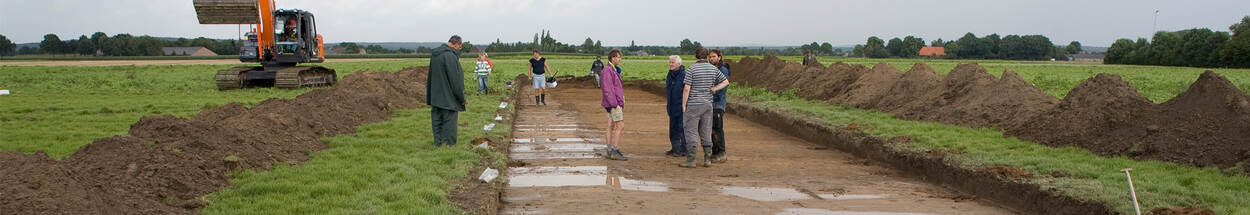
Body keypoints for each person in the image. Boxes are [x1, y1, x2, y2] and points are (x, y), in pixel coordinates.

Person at [680, 47, 729, 168]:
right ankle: (707, 159)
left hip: (694, 104)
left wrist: (683, 104)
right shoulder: (713, 68)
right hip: (708, 105)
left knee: (691, 131)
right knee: (706, 131)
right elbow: (726, 82)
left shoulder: (692, 69)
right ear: (706, 56)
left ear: (695, 56)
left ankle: (691, 160)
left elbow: (687, 88)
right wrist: (714, 89)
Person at [426, 35, 466, 146]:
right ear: (456, 44)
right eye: (460, 47)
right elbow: (455, 80)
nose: (459, 50)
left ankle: (438, 144)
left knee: (437, 121)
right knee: (449, 122)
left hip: (435, 96)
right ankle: (449, 146)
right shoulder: (450, 56)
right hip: (448, 98)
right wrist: (461, 98)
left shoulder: (435, 55)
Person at [600, 49, 627, 160]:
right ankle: (614, 150)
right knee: (620, 125)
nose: (619, 59)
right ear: (613, 58)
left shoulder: (613, 69)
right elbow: (607, 89)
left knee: (610, 125)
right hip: (613, 103)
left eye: (620, 57)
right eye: (618, 57)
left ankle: (609, 149)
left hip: (613, 102)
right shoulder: (608, 70)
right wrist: (614, 104)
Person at [709, 49, 731, 163]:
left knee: (717, 129)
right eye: (710, 57)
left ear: (719, 57)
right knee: (711, 129)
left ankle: (721, 152)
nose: (711, 58)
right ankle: (715, 152)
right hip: (711, 104)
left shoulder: (723, 70)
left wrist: (713, 94)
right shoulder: (713, 69)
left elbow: (723, 87)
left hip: (718, 104)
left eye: (713, 56)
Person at [665, 55, 688, 157]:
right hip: (672, 106)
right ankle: (675, 148)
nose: (670, 64)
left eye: (672, 62)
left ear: (679, 64)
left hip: (681, 106)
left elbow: (687, 90)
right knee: (673, 129)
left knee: (682, 129)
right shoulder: (670, 74)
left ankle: (684, 150)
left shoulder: (684, 75)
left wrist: (684, 105)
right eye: (670, 62)